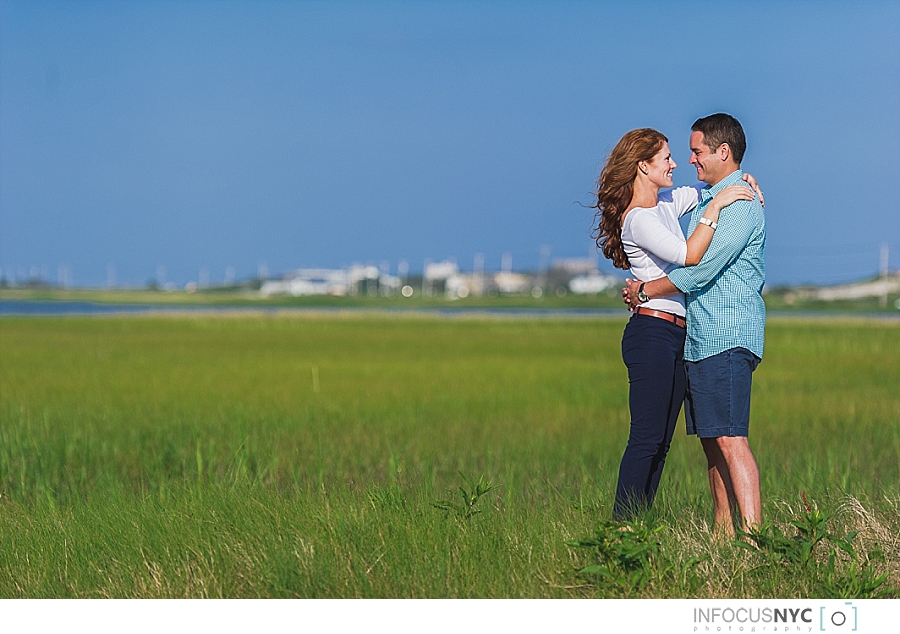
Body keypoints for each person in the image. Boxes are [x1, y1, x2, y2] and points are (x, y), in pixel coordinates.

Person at [592, 127, 760, 521]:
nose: (676, 164)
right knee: (645, 440)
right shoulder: (638, 219)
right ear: (643, 167)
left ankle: (636, 528)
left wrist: (742, 180)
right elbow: (689, 255)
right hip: (651, 333)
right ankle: (622, 530)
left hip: (676, 334)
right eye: (666, 158)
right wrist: (715, 209)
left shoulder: (668, 200)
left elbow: (711, 188)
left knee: (660, 444)